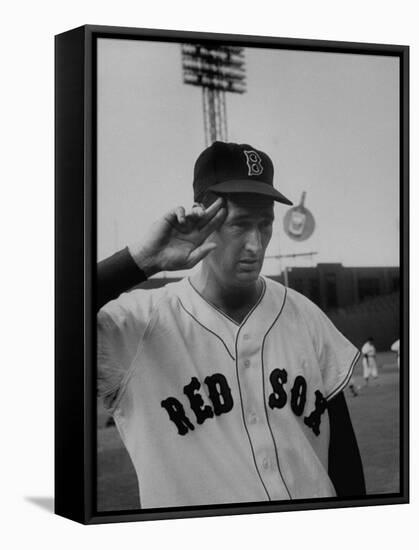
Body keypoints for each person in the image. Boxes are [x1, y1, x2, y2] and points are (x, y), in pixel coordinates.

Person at [97, 141, 365, 509]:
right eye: (240, 224)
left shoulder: (304, 314)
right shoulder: (136, 325)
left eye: (265, 225)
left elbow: (345, 460)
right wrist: (141, 260)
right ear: (202, 218)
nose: (255, 244)